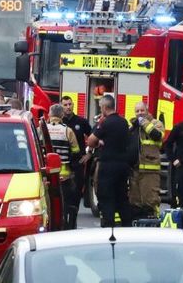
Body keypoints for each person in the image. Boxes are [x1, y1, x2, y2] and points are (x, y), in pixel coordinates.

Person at [87, 94, 132, 227]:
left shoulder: (105, 122)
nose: (100, 110)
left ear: (105, 107)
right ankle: (127, 227)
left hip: (108, 165)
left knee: (106, 197)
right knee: (122, 197)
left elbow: (90, 141)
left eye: (101, 107)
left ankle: (108, 227)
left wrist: (98, 142)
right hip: (123, 165)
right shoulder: (124, 122)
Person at [45, 104, 81, 229]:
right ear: (61, 115)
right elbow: (76, 151)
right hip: (64, 177)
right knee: (64, 205)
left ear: (49, 114)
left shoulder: (42, 129)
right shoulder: (68, 131)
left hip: (47, 176)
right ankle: (64, 225)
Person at [128, 102, 164, 219]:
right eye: (137, 111)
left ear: (147, 110)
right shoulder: (133, 127)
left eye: (142, 110)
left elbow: (157, 136)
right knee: (135, 202)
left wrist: (144, 123)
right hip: (135, 170)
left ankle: (154, 224)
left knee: (150, 201)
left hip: (150, 170)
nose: (139, 113)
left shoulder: (156, 124)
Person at [60, 96, 92, 209]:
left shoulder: (81, 122)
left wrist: (89, 153)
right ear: (61, 107)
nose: (68, 107)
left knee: (77, 192)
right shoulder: (59, 123)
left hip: (77, 163)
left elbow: (93, 137)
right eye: (65, 105)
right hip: (62, 164)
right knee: (63, 194)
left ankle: (74, 216)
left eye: (70, 104)